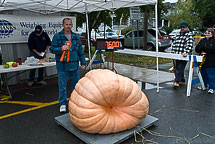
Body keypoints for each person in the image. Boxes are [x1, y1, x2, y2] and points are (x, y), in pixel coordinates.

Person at [49, 18, 86, 112]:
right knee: (62, 86)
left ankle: (75, 102)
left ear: (72, 26)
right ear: (63, 25)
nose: (68, 26)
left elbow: (80, 51)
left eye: (70, 24)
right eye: (66, 24)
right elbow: (52, 49)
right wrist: (60, 49)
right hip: (62, 66)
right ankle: (62, 103)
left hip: (74, 65)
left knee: (76, 86)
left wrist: (83, 62)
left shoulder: (76, 36)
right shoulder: (57, 36)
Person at [171, 22, 194, 87]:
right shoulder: (177, 34)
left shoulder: (189, 35)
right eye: (181, 27)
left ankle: (176, 81)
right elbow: (174, 44)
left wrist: (186, 52)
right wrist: (173, 52)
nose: (182, 28)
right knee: (178, 68)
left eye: (183, 27)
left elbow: (189, 45)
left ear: (187, 28)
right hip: (177, 55)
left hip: (184, 56)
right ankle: (182, 80)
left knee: (181, 68)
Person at [195, 28, 215, 94]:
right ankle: (204, 85)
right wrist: (202, 48)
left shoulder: (214, 40)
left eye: (208, 33)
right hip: (202, 60)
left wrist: (205, 48)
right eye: (206, 33)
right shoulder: (202, 40)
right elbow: (197, 49)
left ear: (212, 34)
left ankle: (212, 88)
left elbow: (212, 49)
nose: (207, 34)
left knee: (210, 75)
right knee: (203, 73)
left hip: (211, 60)